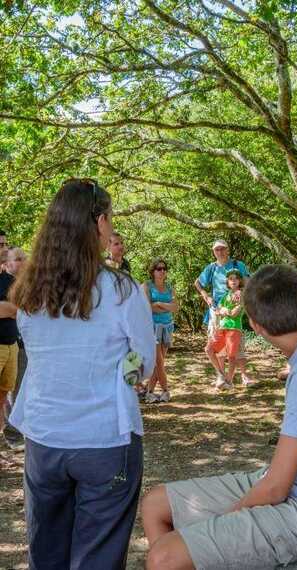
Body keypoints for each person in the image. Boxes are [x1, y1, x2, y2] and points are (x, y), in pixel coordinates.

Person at [142, 265, 297, 570]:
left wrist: (228, 519)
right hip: (293, 487)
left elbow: (277, 487)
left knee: (163, 558)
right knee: (155, 503)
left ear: (255, 325)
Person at [8, 178, 156, 570]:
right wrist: (118, 380)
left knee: (48, 550)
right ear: (100, 222)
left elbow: (39, 357)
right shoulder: (121, 290)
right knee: (98, 556)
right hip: (105, 438)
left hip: (44, 437)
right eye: (110, 219)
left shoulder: (29, 293)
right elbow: (142, 361)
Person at [195, 239, 253, 384]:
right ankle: (222, 377)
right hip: (216, 309)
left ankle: (244, 376)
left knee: (237, 343)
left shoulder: (237, 265)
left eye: (222, 249)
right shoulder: (211, 268)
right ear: (213, 252)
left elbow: (249, 283)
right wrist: (206, 296)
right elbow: (198, 283)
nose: (219, 252)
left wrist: (241, 294)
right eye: (216, 249)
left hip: (235, 307)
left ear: (227, 250)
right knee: (218, 345)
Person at [205, 269, 250, 389]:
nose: (233, 281)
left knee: (231, 356)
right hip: (222, 327)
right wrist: (222, 311)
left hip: (234, 328)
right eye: (231, 279)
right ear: (228, 282)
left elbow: (235, 313)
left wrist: (225, 311)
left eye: (236, 278)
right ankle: (221, 374)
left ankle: (229, 381)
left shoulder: (241, 294)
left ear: (239, 281)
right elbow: (218, 310)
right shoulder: (226, 295)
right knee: (209, 349)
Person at [143, 258, 178, 404]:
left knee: (160, 362)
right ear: (153, 271)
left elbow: (175, 308)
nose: (162, 271)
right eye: (159, 268)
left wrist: (158, 303)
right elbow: (147, 307)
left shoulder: (170, 287)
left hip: (167, 326)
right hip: (152, 327)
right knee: (158, 362)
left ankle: (149, 392)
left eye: (164, 268)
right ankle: (165, 391)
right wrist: (166, 306)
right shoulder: (146, 286)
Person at [2, 247, 27, 451]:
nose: (23, 263)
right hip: (7, 344)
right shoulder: (5, 281)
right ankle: (12, 434)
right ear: (8, 263)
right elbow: (12, 310)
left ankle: (15, 432)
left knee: (14, 392)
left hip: (20, 344)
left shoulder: (21, 283)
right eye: (17, 259)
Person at [0, 246, 19, 445]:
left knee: (3, 396)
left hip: (12, 345)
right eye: (0, 245)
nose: (4, 249)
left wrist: (8, 308)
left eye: (5, 244)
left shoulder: (10, 280)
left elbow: (18, 308)